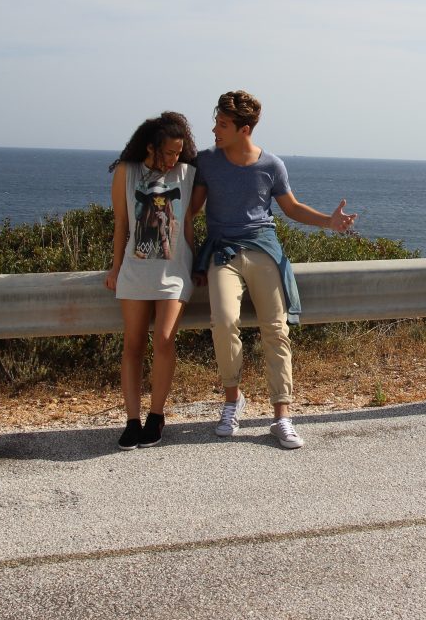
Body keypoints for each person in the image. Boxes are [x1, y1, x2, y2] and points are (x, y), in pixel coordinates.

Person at [185, 90, 357, 449]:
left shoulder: (272, 166)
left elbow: (290, 209)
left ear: (244, 129)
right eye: (216, 122)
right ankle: (233, 401)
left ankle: (282, 416)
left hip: (263, 248)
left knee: (275, 329)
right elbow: (192, 210)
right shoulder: (207, 162)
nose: (215, 130)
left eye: (222, 124)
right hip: (223, 253)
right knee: (223, 321)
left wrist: (330, 221)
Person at [104, 113, 198, 450]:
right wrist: (115, 269)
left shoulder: (187, 174)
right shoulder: (126, 173)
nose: (174, 159)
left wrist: (195, 263)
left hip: (174, 272)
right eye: (169, 153)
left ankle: (156, 415)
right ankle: (132, 420)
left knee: (163, 339)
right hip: (135, 269)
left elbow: (186, 222)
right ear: (151, 147)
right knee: (132, 345)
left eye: (178, 153)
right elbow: (120, 225)